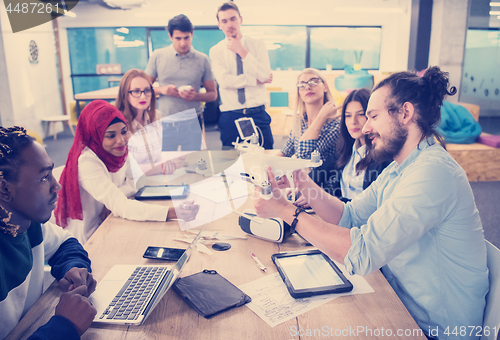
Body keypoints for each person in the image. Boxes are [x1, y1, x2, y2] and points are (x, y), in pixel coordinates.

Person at [254, 67, 488, 339]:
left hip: (434, 329)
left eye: (373, 116)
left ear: (405, 113)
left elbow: (361, 253)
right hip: (399, 301)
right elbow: (350, 216)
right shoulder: (401, 166)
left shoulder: (432, 172)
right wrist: (303, 183)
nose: (364, 128)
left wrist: (286, 211)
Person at [54, 100, 199, 244]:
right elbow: (121, 206)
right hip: (90, 236)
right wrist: (172, 212)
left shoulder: (120, 152)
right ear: (95, 135)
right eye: (111, 135)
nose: (121, 140)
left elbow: (137, 180)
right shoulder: (87, 162)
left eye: (124, 132)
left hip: (111, 221)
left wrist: (113, 199)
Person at [0, 126, 97, 339]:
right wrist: (64, 326)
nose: (57, 186)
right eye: (44, 177)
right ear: (4, 189)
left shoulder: (27, 223)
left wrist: (73, 267)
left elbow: (65, 242)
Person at [145, 14, 217, 151]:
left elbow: (213, 94)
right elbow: (144, 89)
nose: (183, 43)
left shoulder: (202, 59)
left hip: (192, 122)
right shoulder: (158, 56)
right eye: (178, 38)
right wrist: (162, 90)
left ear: (192, 34)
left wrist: (195, 96)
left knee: (194, 165)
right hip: (166, 121)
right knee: (166, 166)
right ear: (170, 36)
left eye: (186, 38)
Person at [210, 2, 274, 149]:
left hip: (257, 113)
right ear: (219, 24)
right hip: (230, 115)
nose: (229, 24)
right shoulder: (216, 50)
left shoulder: (257, 45)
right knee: (231, 164)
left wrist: (242, 52)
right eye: (224, 21)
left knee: (265, 161)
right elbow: (224, 81)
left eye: (233, 19)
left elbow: (264, 75)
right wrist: (254, 80)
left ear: (241, 19)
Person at [323, 88, 391, 200]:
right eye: (348, 116)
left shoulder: (383, 156)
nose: (353, 121)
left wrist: (326, 200)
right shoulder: (346, 151)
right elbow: (317, 174)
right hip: (342, 215)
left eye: (360, 114)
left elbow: (373, 204)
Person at [277, 68, 341, 189]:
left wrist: (321, 117)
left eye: (313, 81)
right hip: (297, 185)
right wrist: (264, 167)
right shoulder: (300, 122)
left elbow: (303, 157)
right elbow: (285, 151)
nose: (307, 87)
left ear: (325, 87)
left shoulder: (335, 125)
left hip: (320, 190)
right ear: (299, 93)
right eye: (302, 85)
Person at [115, 68, 183, 176]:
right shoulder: (118, 125)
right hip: (132, 185)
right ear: (125, 94)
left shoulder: (155, 116)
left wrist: (169, 164)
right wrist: (161, 167)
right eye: (136, 91)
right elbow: (124, 170)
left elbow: (156, 156)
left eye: (147, 90)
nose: (143, 96)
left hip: (156, 180)